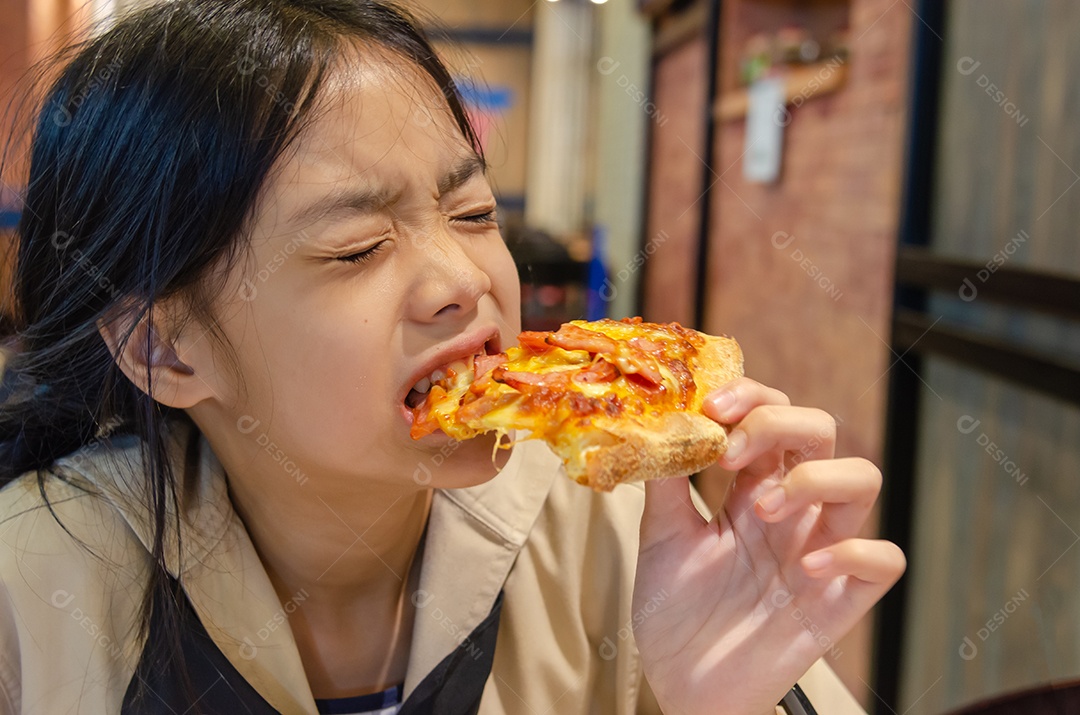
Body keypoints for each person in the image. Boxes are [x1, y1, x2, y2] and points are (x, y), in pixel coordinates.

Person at [0, 1, 905, 713]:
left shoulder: (627, 533)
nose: (463, 280)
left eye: (473, 215)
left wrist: (724, 705)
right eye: (356, 246)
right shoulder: (31, 586)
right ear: (164, 348)